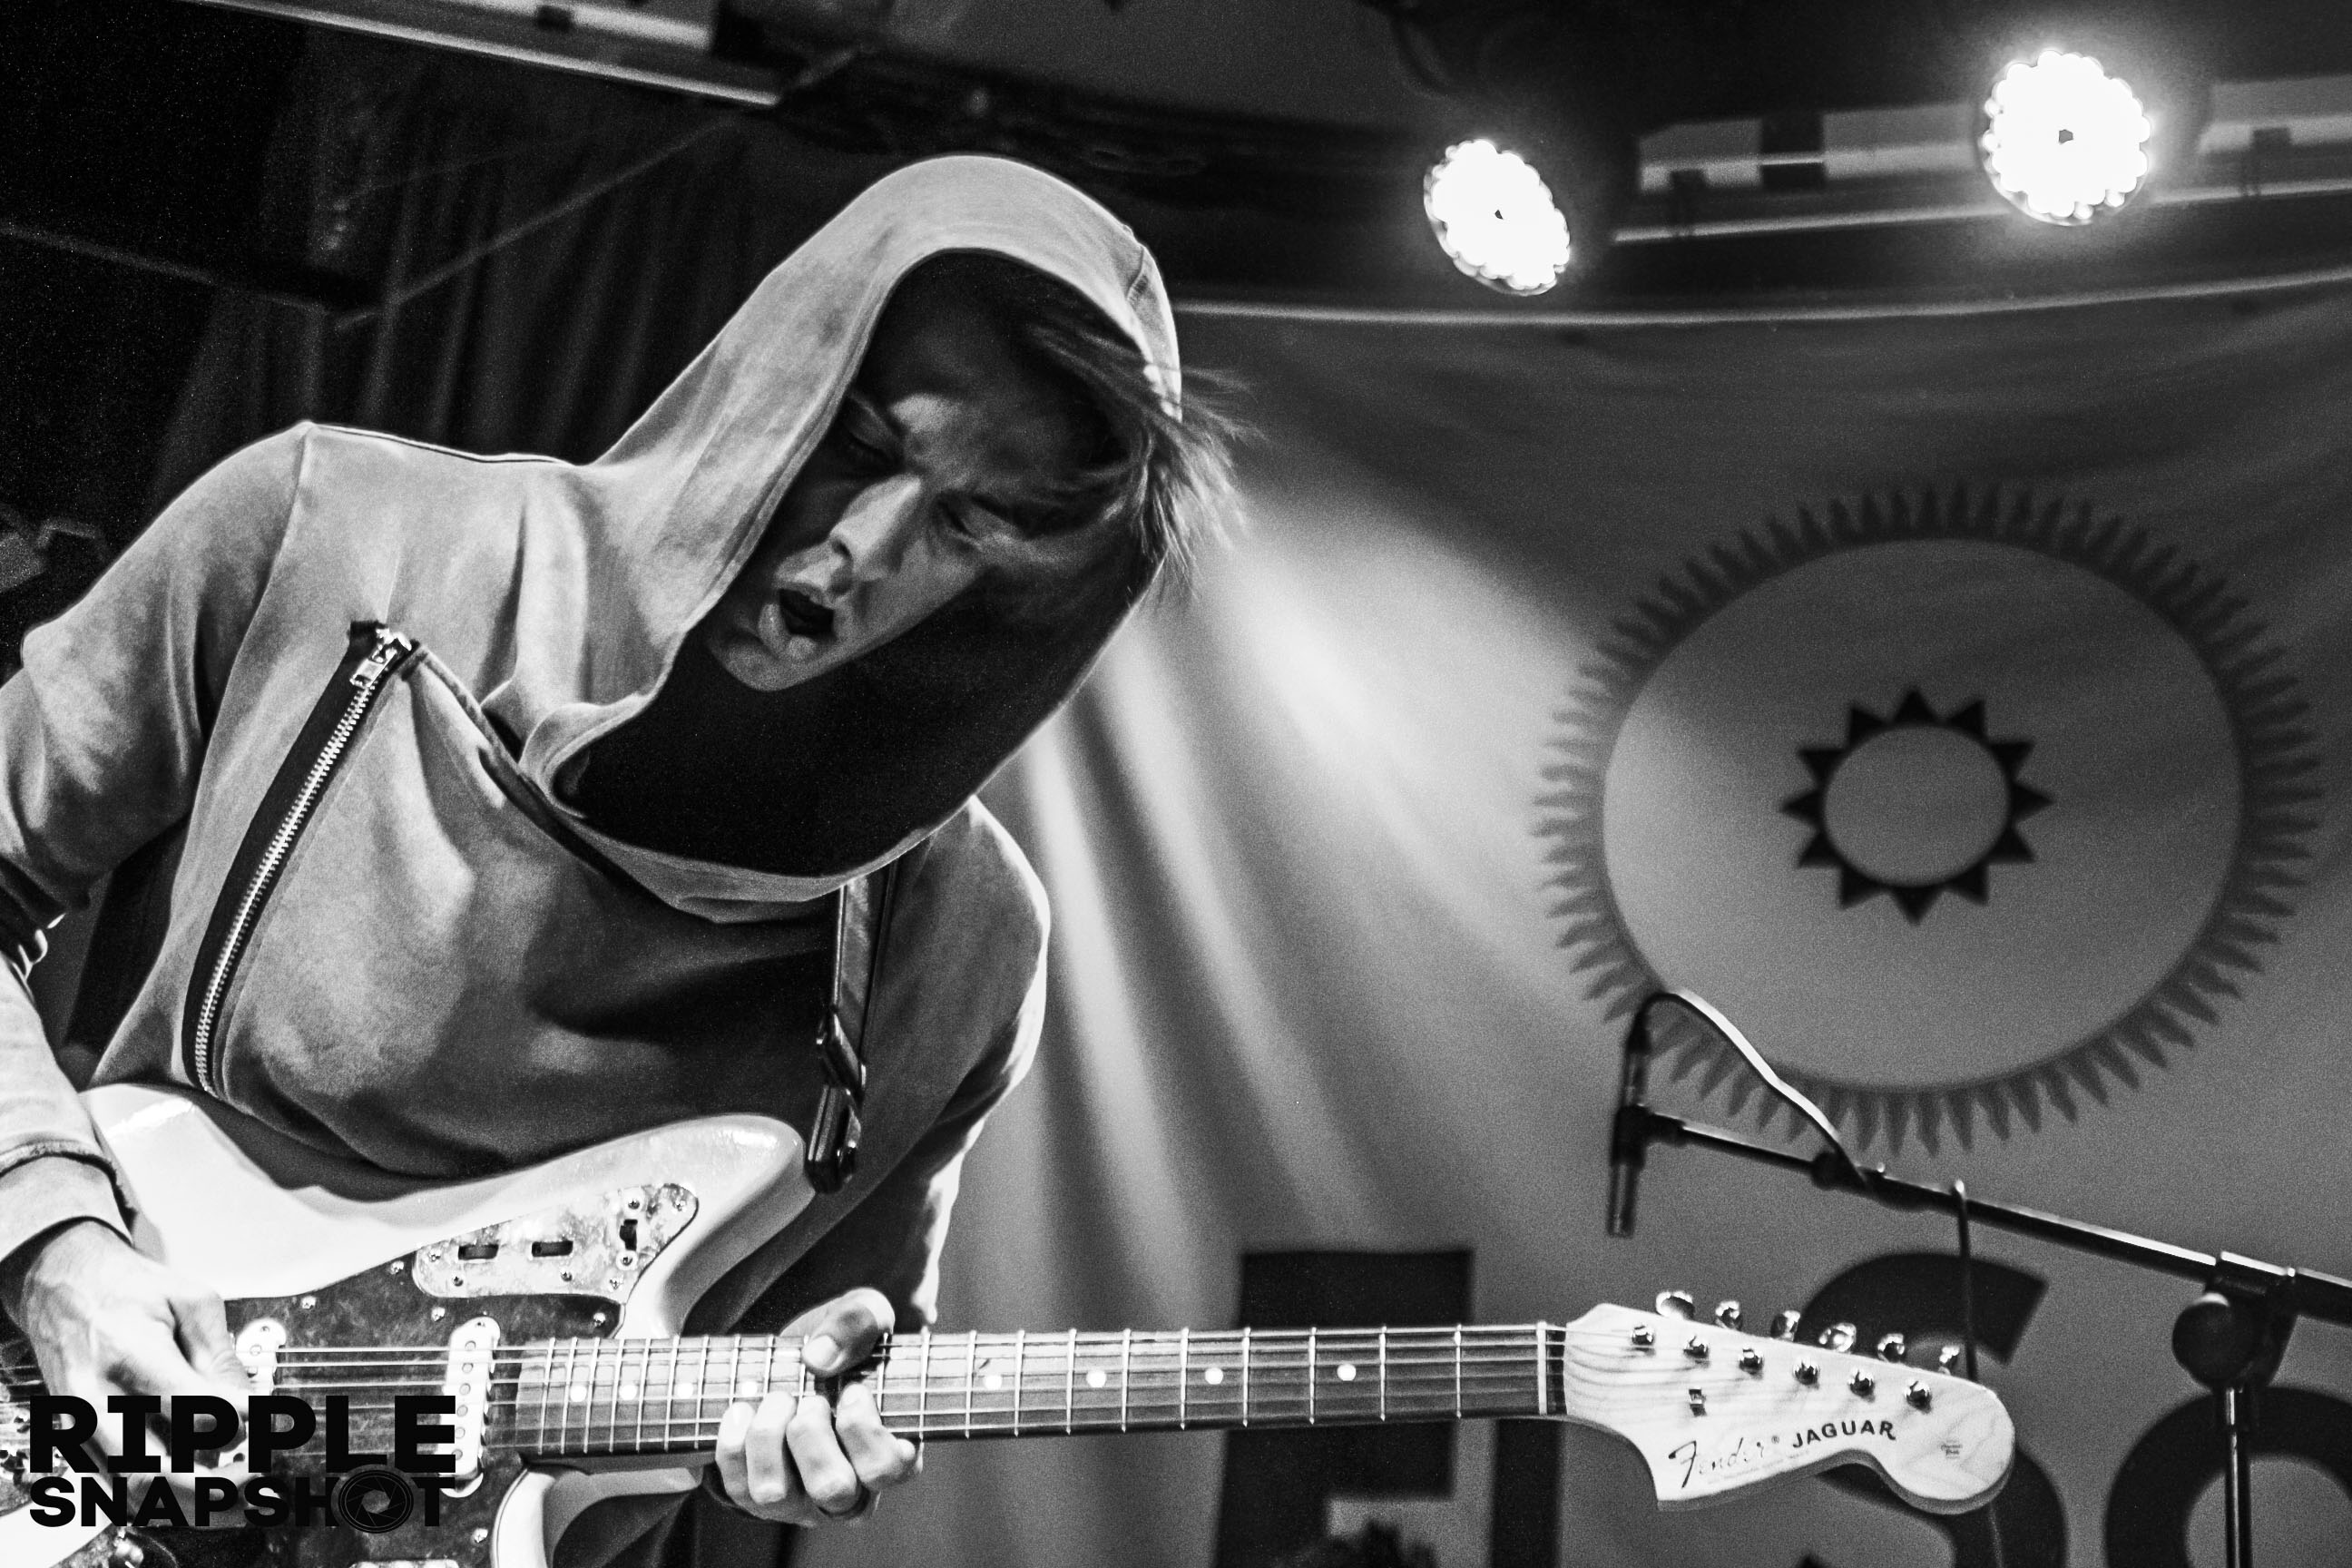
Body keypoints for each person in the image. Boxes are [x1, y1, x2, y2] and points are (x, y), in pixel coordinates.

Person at [0, 154, 1230, 1560]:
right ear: (776, 374)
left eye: (969, 522)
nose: (856, 557)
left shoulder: (966, 944)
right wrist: (50, 1238)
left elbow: (815, 1364)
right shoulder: (325, 533)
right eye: (858, 443)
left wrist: (788, 1449)